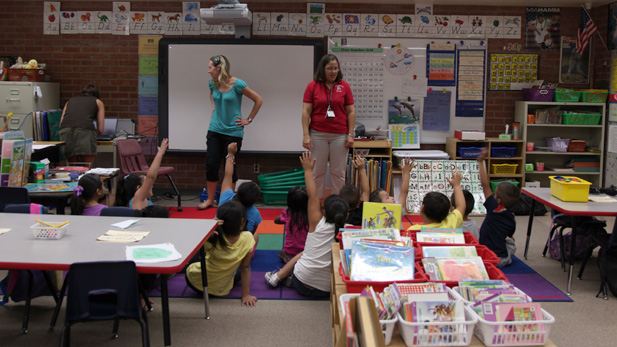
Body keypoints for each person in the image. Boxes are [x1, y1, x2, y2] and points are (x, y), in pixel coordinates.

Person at [264, 152, 349, 298]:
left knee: (303, 254)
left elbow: (312, 195)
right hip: (328, 290)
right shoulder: (350, 231)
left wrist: (308, 170)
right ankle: (284, 278)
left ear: (324, 211)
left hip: (301, 282)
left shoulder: (316, 223)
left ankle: (279, 276)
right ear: (347, 215)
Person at [198, 55, 263, 210]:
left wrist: (249, 119)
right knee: (211, 164)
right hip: (214, 130)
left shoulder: (238, 84)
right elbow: (212, 94)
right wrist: (214, 106)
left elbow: (258, 100)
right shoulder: (212, 83)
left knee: (230, 165)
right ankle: (210, 200)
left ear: (219, 68)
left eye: (210, 68)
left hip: (233, 132)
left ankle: (228, 201)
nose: (208, 71)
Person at [302, 54, 356, 199]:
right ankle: (315, 203)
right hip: (318, 134)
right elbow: (306, 112)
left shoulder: (344, 86)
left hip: (340, 135)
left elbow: (351, 112)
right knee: (317, 172)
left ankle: (336, 205)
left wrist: (350, 134)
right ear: (322, 69)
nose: (333, 72)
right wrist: (306, 135)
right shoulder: (312, 86)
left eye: (336, 68)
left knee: (338, 173)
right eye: (329, 68)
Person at [185, 200, 257, 306]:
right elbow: (245, 267)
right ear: (242, 222)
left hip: (195, 283)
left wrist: (206, 229)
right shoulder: (248, 237)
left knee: (196, 255)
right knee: (239, 268)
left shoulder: (210, 239)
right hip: (222, 287)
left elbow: (186, 246)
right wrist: (246, 295)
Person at [476, 149, 520, 267]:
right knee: (511, 241)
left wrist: (481, 162)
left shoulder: (493, 207)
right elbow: (510, 236)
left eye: (495, 194)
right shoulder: (511, 218)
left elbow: (485, 185)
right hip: (502, 259)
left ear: (498, 200)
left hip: (485, 256)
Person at [217, 142, 261, 252]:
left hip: (218, 246)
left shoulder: (226, 197)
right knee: (256, 236)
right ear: (253, 201)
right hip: (238, 253)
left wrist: (230, 154)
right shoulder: (255, 213)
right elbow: (250, 234)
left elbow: (228, 175)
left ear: (238, 191)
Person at [114, 138, 169, 210]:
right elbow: (151, 177)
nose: (151, 185)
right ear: (139, 188)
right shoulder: (138, 199)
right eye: (146, 183)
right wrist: (160, 153)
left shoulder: (144, 199)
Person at [59, 84, 105, 168]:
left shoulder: (69, 101)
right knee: (87, 168)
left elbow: (61, 123)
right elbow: (101, 129)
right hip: (86, 131)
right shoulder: (98, 102)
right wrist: (94, 136)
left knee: (73, 168)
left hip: (66, 131)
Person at [274, 186, 309, 263]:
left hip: (290, 251)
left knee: (283, 253)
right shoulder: (311, 215)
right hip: (307, 251)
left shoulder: (287, 213)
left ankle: (290, 258)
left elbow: (276, 220)